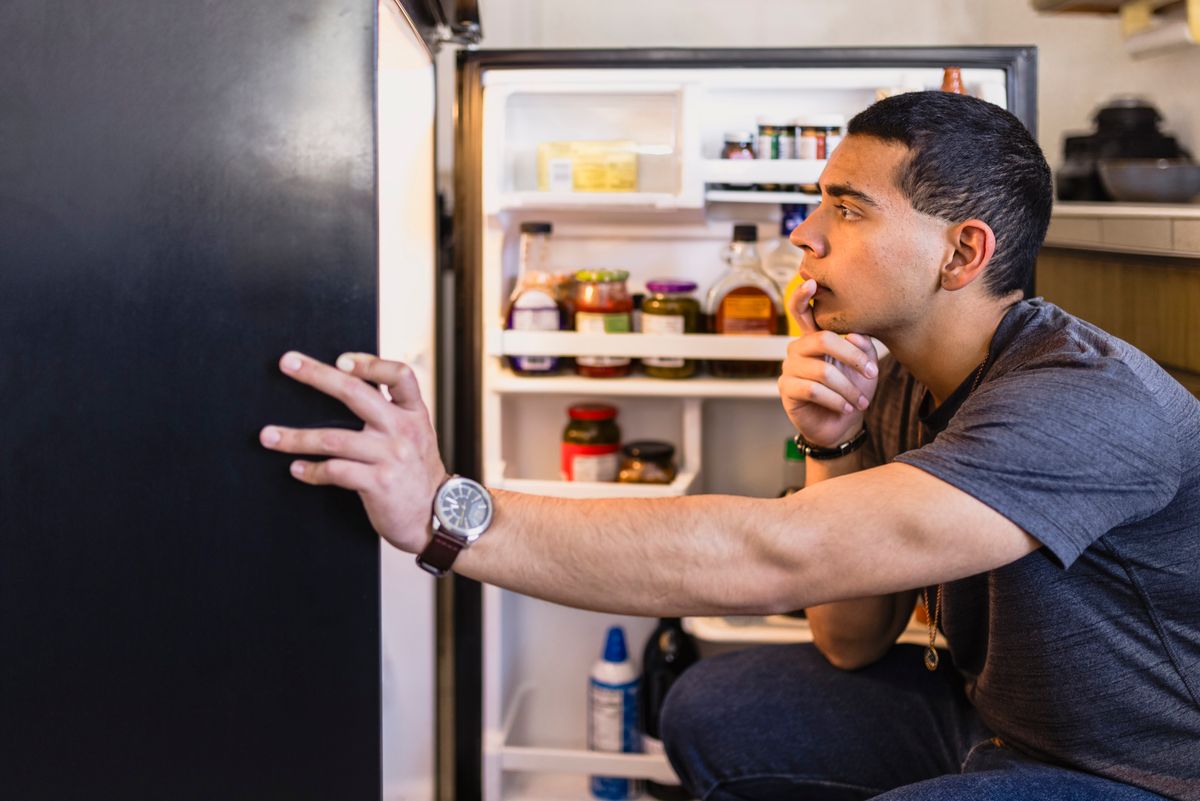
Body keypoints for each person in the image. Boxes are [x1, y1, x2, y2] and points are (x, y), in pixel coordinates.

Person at [258, 91, 1200, 800]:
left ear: (961, 253)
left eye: (847, 208)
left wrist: (448, 512)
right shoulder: (906, 375)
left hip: (1133, 770)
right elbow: (848, 639)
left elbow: (777, 552)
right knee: (715, 707)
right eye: (815, 204)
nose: (805, 236)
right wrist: (829, 445)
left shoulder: (1086, 401)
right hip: (991, 719)